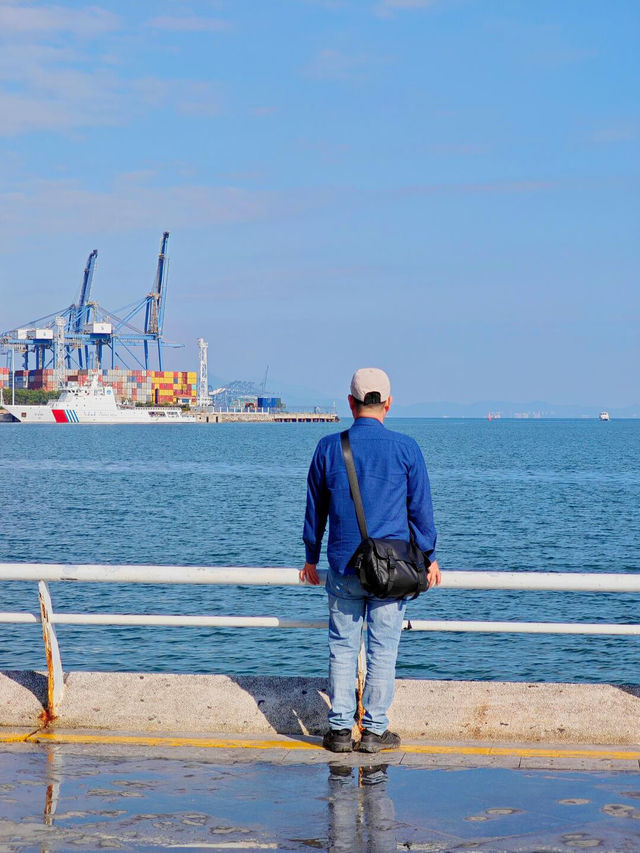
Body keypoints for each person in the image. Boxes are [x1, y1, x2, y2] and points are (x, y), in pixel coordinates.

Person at [300, 367, 440, 753]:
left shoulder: (329, 448)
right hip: (392, 570)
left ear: (351, 403)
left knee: (343, 648)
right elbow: (421, 512)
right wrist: (428, 556)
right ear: (388, 404)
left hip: (344, 565)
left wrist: (311, 557)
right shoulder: (407, 448)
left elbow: (316, 511)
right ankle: (375, 732)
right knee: (383, 650)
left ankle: (341, 730)